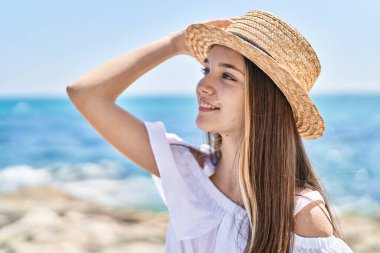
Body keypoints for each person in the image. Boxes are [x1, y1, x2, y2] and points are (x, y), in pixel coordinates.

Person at [66, 9, 354, 253]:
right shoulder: (186, 172)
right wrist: (175, 43)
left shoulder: (299, 215)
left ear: (265, 99)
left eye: (227, 75)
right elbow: (85, 94)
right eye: (206, 71)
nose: (203, 87)